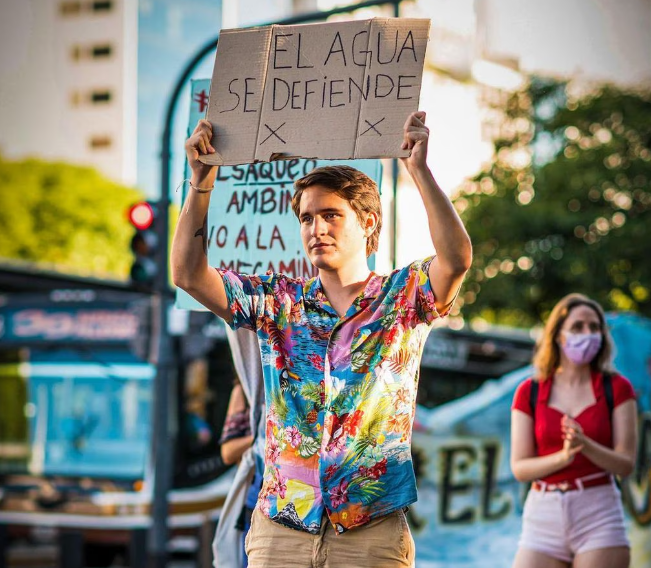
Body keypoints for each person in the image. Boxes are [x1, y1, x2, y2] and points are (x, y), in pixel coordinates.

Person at [171, 111, 472, 568]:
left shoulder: (402, 297)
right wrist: (201, 181)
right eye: (307, 218)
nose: (317, 229)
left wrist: (420, 172)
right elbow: (188, 275)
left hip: (371, 530)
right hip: (281, 531)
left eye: (331, 214)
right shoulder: (277, 300)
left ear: (369, 223)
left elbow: (457, 258)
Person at [510, 293, 638, 568]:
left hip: (598, 514)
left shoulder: (617, 388)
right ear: (558, 334)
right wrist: (563, 457)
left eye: (595, 328)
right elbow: (520, 468)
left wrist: (585, 445)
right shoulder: (528, 391)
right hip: (542, 517)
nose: (588, 334)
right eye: (578, 327)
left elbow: (626, 464)